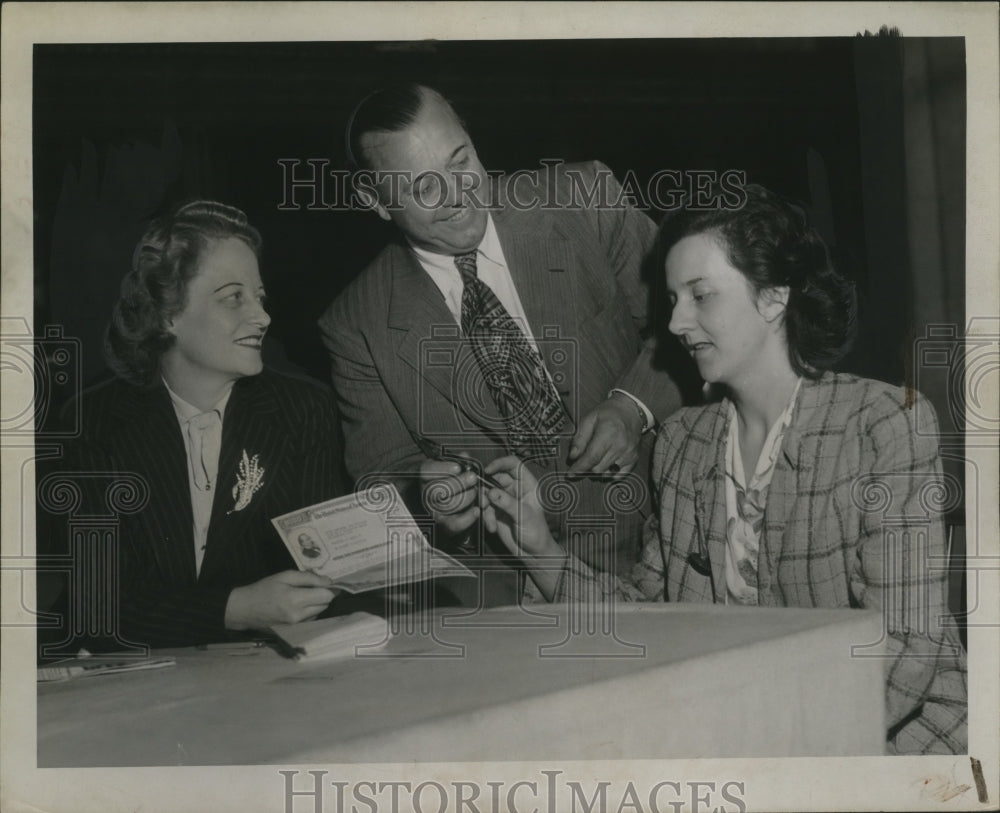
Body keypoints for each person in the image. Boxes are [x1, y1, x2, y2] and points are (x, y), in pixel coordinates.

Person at [479, 184, 968, 755]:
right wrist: (541, 551)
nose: (678, 323)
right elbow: (650, 621)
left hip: (891, 741)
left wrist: (761, 747)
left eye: (700, 295)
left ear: (773, 298)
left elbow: (906, 645)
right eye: (672, 300)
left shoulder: (884, 424)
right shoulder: (683, 443)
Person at [319, 84, 681, 607]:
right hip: (510, 596)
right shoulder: (355, 324)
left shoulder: (582, 199)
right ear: (374, 202)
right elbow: (383, 485)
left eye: (460, 160)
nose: (458, 194)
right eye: (423, 186)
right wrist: (428, 500)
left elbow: (692, 325)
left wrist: (635, 406)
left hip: (664, 537)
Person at [40, 201, 348, 650]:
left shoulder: (304, 410)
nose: (262, 316)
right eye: (233, 297)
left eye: (259, 296)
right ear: (167, 313)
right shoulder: (93, 424)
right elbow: (98, 608)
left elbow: (325, 571)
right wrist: (236, 608)